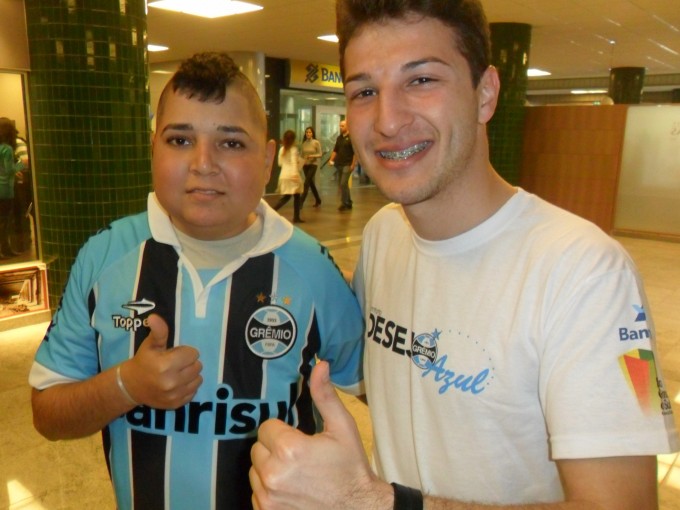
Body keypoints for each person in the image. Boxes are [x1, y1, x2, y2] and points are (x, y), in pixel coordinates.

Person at [249, 1, 679, 509]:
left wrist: (373, 502)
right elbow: (417, 395)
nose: (388, 121)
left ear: (486, 93)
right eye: (365, 91)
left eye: (422, 80)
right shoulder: (386, 234)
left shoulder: (589, 272)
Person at [29, 52, 364, 510]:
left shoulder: (312, 269)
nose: (203, 163)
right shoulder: (105, 257)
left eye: (231, 143)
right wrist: (126, 385)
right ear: (153, 149)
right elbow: (48, 413)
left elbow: (372, 387)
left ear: (267, 158)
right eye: (180, 139)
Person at [0, 117, 23, 259]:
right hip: (5, 190)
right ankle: (5, 249)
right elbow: (9, 170)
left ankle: (4, 249)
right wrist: (21, 164)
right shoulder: (7, 149)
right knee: (5, 222)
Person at [273, 129, 305, 223]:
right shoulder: (293, 149)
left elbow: (279, 163)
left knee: (294, 196)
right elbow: (294, 163)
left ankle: (296, 217)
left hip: (283, 174)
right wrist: (295, 174)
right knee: (291, 197)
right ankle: (272, 211)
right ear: (294, 139)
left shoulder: (282, 149)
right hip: (292, 175)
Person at [328, 119, 356, 211]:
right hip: (339, 164)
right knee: (344, 185)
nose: (340, 127)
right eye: (340, 126)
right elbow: (335, 150)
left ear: (347, 126)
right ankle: (348, 202)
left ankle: (344, 203)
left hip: (347, 164)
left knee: (343, 183)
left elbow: (355, 153)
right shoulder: (339, 138)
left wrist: (353, 164)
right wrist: (331, 159)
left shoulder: (351, 138)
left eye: (342, 126)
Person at [299, 126, 323, 208]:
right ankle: (318, 199)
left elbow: (320, 154)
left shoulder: (316, 142)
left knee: (306, 183)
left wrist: (312, 156)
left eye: (310, 132)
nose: (308, 134)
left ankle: (301, 202)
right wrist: (300, 164)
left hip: (313, 164)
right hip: (305, 165)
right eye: (307, 132)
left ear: (312, 133)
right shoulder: (304, 143)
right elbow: (301, 155)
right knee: (311, 183)